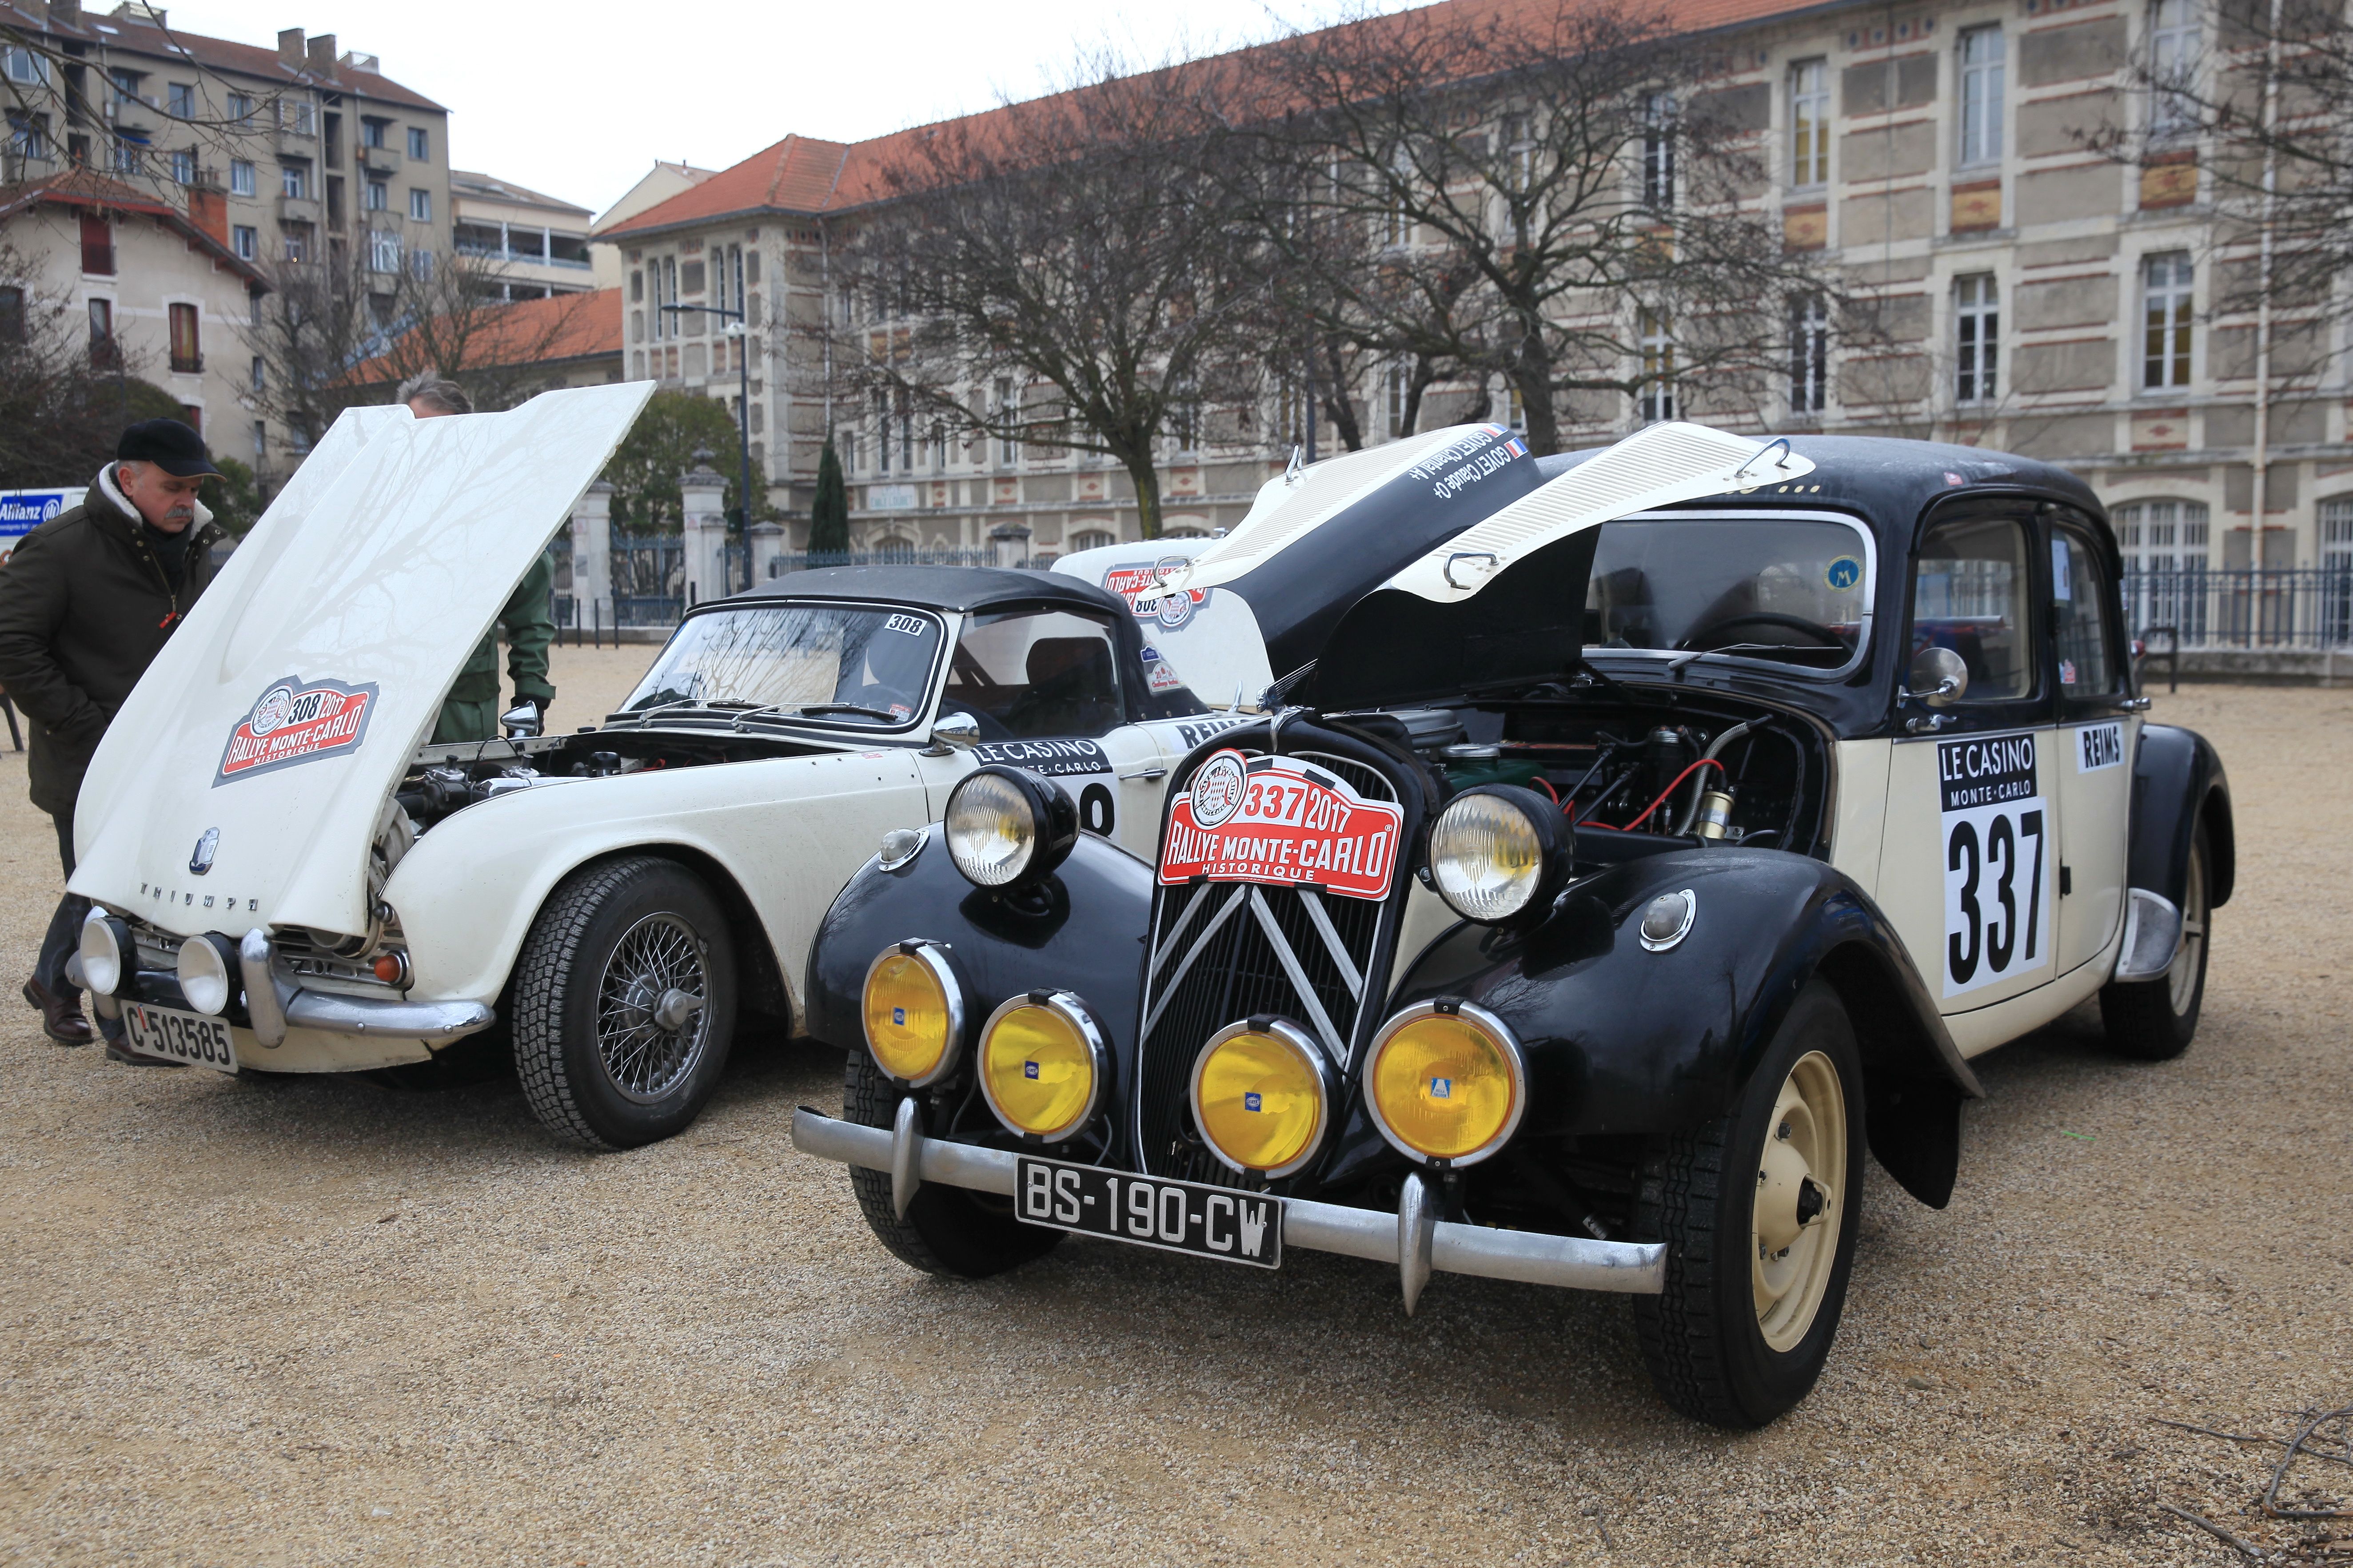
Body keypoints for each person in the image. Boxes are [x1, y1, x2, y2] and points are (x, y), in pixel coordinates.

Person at [0, 420, 223, 1063]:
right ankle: (127, 1028)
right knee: (111, 890)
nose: (185, 498)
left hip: (170, 756)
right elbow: (12, 646)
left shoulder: (195, 540)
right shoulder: (59, 547)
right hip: (87, 759)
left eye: (193, 486)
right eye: (171, 486)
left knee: (117, 884)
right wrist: (89, 728)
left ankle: (53, 982)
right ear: (129, 479)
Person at [398, 374, 557, 743]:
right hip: (393, 704)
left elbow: (530, 615)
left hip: (463, 709)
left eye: (439, 433)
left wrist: (531, 697)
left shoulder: (494, 512)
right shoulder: (388, 511)